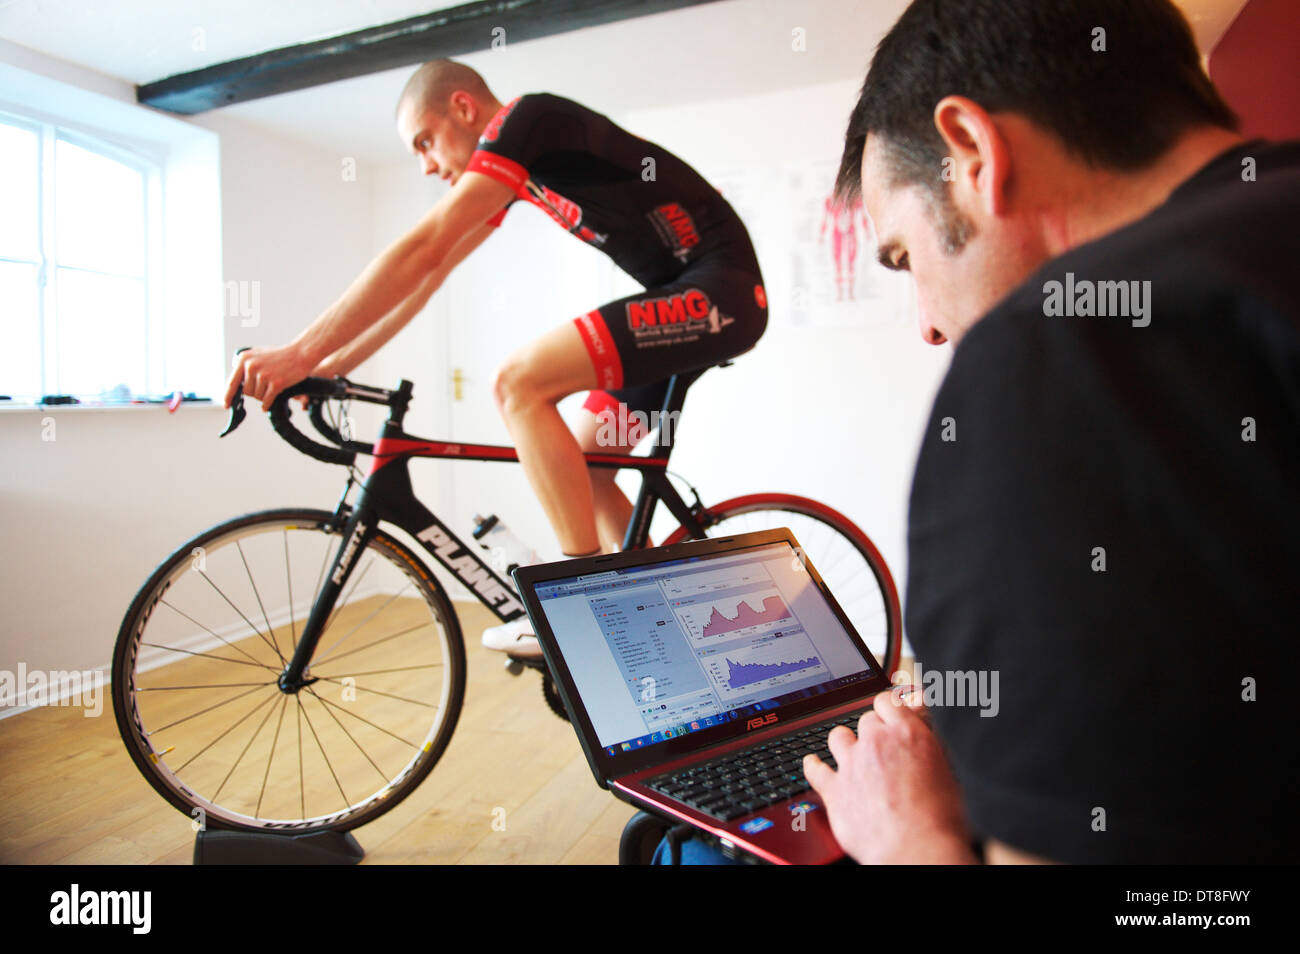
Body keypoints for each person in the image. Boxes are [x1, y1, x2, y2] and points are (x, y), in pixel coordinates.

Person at [659, 0, 1300, 864]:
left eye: (903, 259)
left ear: (972, 150)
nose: (924, 323)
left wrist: (905, 835)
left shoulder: (1060, 355)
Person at [223, 60, 767, 657]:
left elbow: (422, 248)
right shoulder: (520, 170)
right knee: (585, 470)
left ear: (463, 107)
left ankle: (573, 608)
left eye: (424, 142)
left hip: (720, 294)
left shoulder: (526, 120)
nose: (427, 165)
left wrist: (299, 352)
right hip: (685, 298)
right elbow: (429, 275)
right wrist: (326, 368)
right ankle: (665, 624)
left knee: (518, 384)